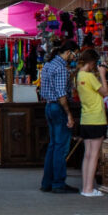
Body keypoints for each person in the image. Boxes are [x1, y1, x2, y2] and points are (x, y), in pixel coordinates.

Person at [39, 40, 81, 194]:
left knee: (53, 145)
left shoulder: (49, 65)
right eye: (74, 54)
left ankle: (47, 182)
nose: (74, 57)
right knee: (61, 147)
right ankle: (58, 183)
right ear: (69, 52)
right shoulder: (61, 68)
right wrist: (69, 114)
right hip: (58, 108)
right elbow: (62, 95)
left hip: (49, 107)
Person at [75, 49, 108, 197]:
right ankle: (89, 188)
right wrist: (102, 74)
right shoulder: (90, 77)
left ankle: (85, 187)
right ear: (92, 62)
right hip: (97, 118)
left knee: (87, 154)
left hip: (85, 118)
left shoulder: (79, 76)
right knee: (94, 155)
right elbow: (105, 92)